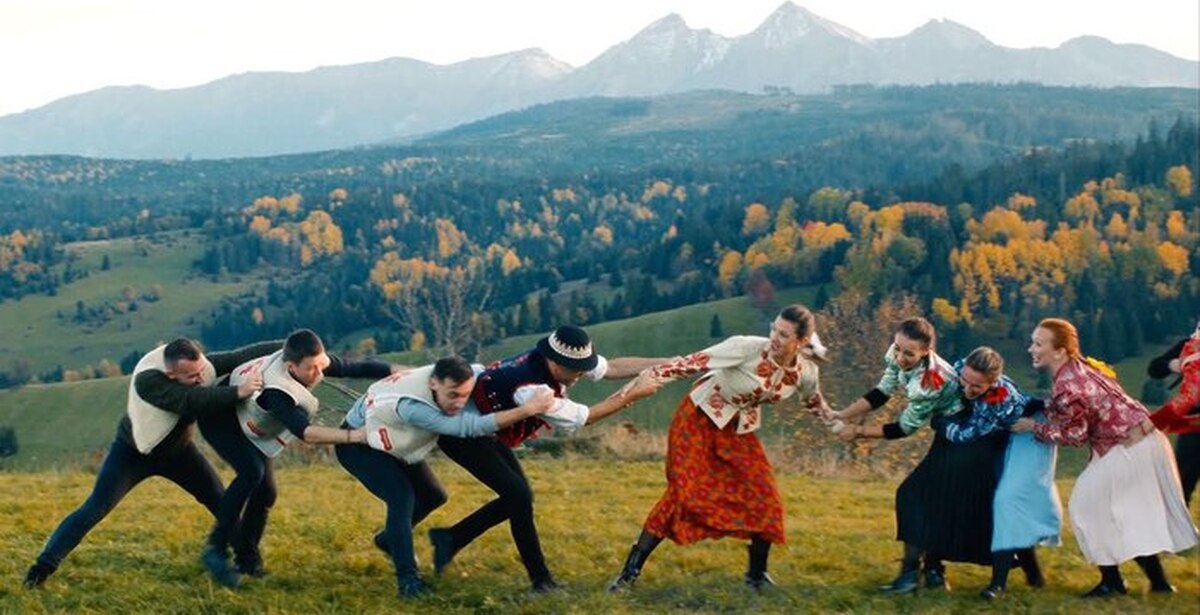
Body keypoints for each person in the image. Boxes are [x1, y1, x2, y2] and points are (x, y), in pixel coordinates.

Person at [23, 337, 279, 588]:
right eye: (192, 376)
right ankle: (42, 568)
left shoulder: (199, 367)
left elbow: (240, 355)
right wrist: (239, 391)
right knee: (96, 507)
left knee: (220, 500)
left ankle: (249, 563)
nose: (201, 379)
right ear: (171, 374)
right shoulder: (148, 381)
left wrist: (292, 349)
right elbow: (191, 400)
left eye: (202, 371)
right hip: (133, 454)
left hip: (180, 453)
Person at [427, 324, 663, 592]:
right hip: (462, 433)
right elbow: (586, 417)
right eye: (575, 369)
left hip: (488, 427)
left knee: (519, 497)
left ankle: (451, 539)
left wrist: (667, 363)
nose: (581, 374)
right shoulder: (532, 388)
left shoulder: (557, 358)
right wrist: (634, 394)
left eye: (584, 367)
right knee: (518, 497)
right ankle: (540, 582)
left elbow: (611, 368)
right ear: (555, 362)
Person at [609, 304, 829, 591]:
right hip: (697, 419)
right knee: (683, 494)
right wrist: (636, 388)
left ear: (801, 341)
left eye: (784, 335)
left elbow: (814, 402)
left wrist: (841, 425)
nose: (774, 338)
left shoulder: (805, 371)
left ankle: (756, 576)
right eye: (774, 329)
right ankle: (629, 573)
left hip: (737, 428)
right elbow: (691, 363)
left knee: (765, 494)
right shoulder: (745, 348)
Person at [335, 356, 555, 598]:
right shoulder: (414, 407)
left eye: (465, 395)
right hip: (359, 444)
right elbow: (467, 427)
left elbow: (504, 369)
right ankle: (409, 582)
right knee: (401, 497)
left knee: (433, 496)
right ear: (434, 384)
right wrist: (527, 410)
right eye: (452, 395)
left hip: (394, 439)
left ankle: (390, 540)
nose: (459, 403)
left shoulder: (471, 373)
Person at [197, 328, 401, 588]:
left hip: (250, 420)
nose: (318, 373)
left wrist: (399, 371)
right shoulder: (278, 391)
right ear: (291, 366)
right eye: (311, 369)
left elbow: (355, 367)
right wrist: (354, 436)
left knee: (266, 493)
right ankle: (215, 548)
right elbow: (305, 432)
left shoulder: (311, 361)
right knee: (251, 473)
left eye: (320, 365)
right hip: (220, 420)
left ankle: (247, 561)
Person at [1012, 318, 1198, 597]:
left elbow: (1075, 435)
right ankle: (1156, 584)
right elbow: (1078, 409)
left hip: (1130, 444)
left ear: (1060, 351)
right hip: (1136, 441)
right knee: (1122, 513)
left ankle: (1113, 582)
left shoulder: (1068, 384)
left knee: (1086, 505)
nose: (1031, 349)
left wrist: (1033, 426)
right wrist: (1043, 407)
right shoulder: (1079, 367)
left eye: (1038, 344)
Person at [825, 316, 965, 594]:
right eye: (898, 348)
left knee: (912, 495)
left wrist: (858, 431)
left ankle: (913, 576)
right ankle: (933, 573)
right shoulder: (897, 353)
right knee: (929, 499)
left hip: (964, 436)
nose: (900, 357)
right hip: (946, 432)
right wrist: (843, 414)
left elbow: (904, 428)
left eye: (908, 353)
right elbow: (882, 392)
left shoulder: (929, 382)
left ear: (925, 351)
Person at [926, 347, 1062, 600]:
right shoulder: (961, 368)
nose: (968, 389)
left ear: (992, 382)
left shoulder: (999, 400)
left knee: (1007, 500)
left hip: (1028, 435)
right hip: (1005, 435)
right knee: (995, 497)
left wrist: (939, 422)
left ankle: (998, 584)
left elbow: (966, 435)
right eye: (965, 381)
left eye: (976, 386)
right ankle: (1033, 574)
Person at [1147, 318, 1200, 505]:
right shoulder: (1189, 346)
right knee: (1181, 486)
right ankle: (1178, 523)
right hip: (1193, 425)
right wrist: (1176, 364)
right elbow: (1154, 368)